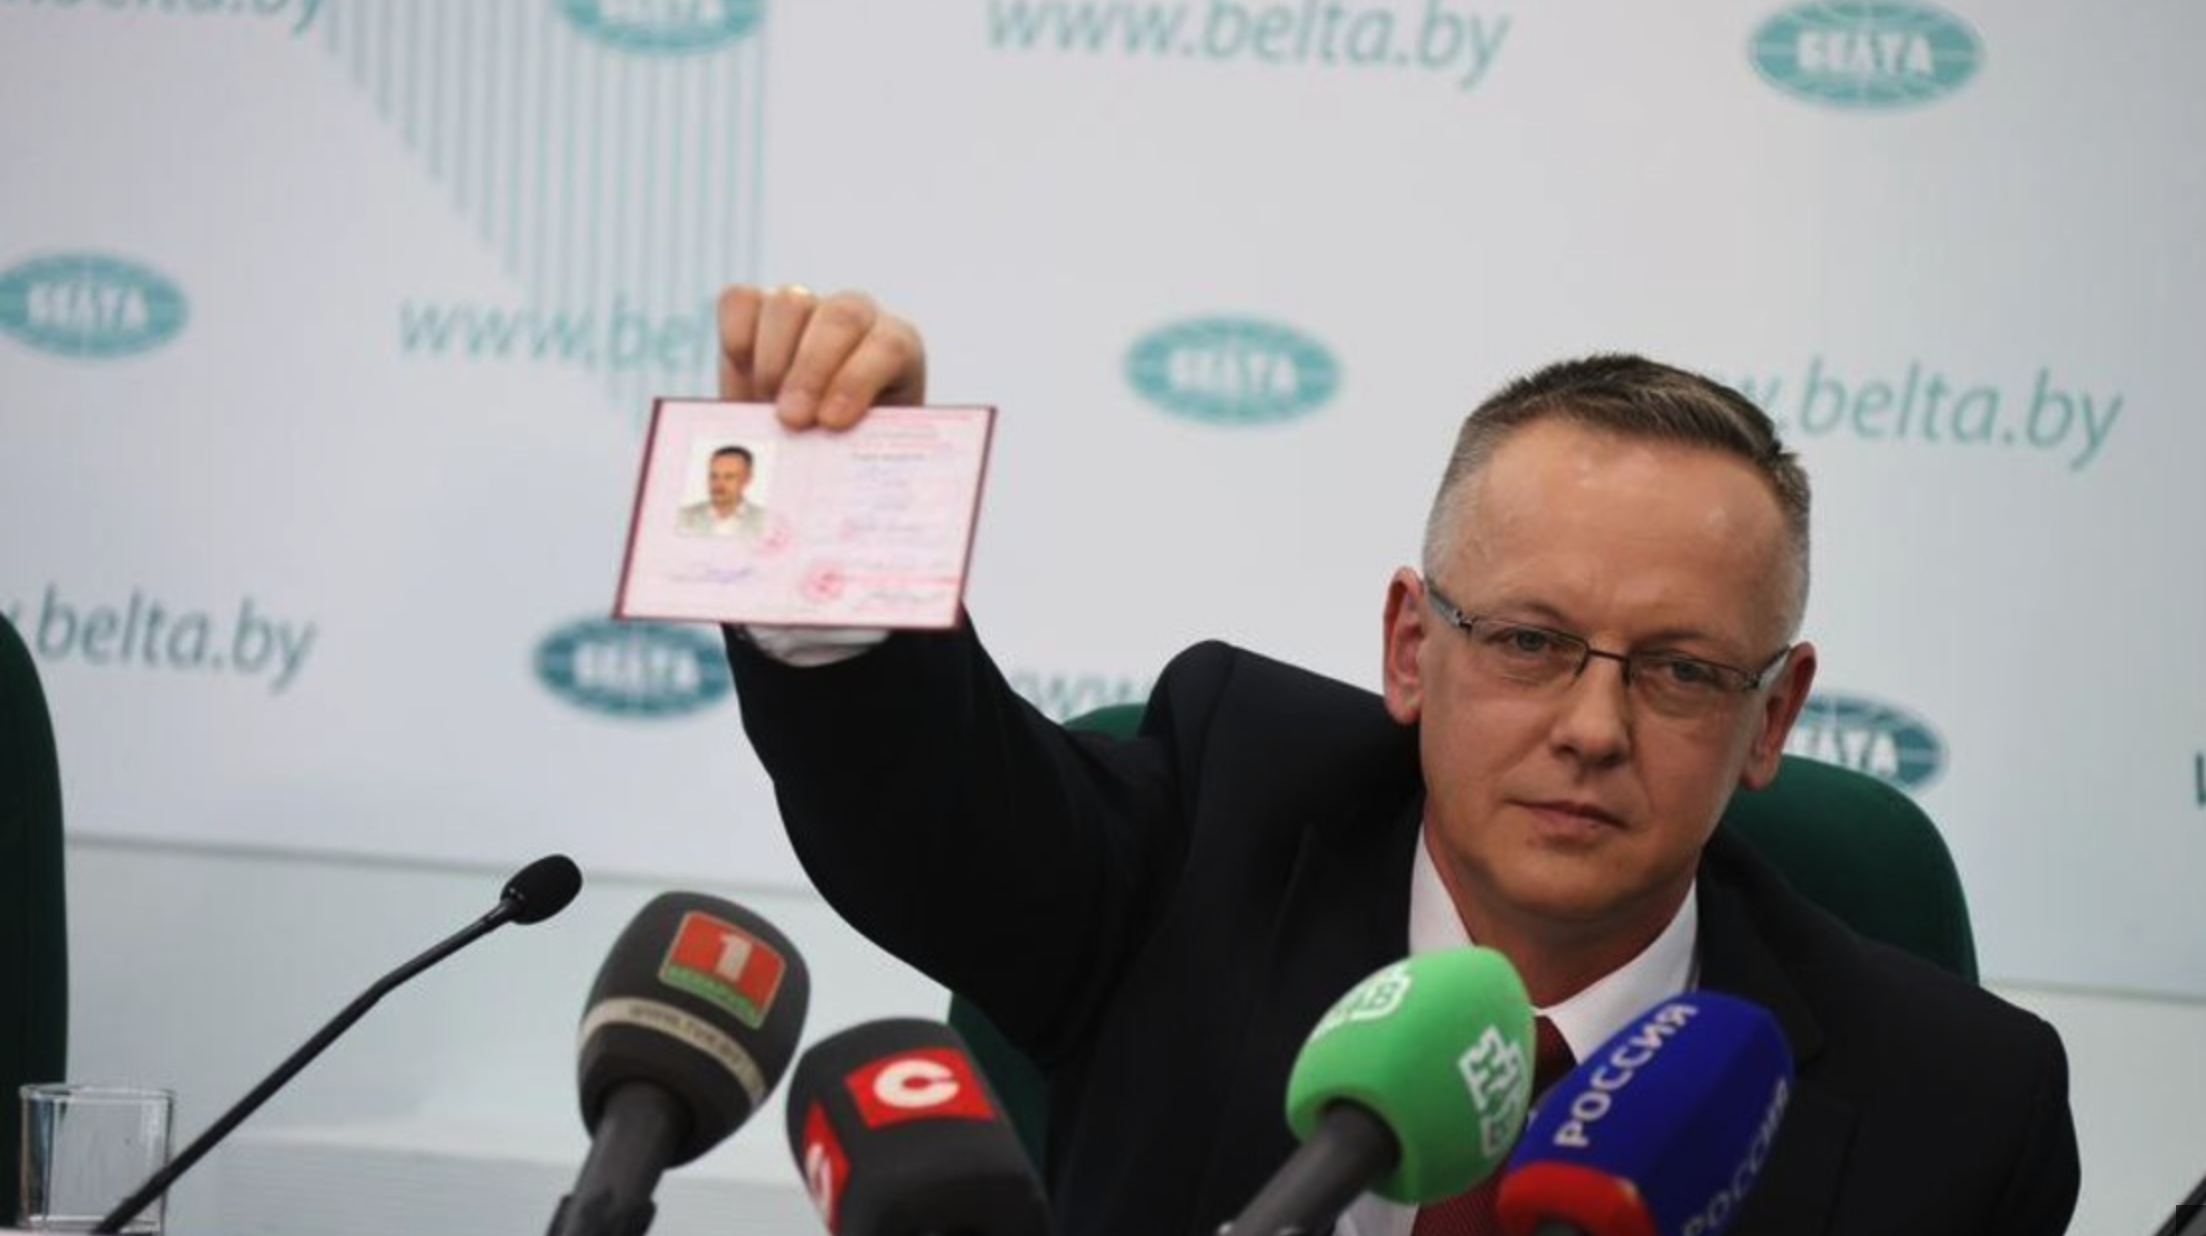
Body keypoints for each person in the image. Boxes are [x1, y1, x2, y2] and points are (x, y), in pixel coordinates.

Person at [716, 284, 2080, 1235]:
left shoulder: (1959, 1109)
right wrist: (827, 530)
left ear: (1771, 718)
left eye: (1677, 672)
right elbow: (934, 827)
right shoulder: (1212, 824)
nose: (1592, 730)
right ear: (1409, 650)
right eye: (1529, 642)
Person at [675, 444, 769, 539]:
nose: (718, 484)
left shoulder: (765, 521)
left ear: (747, 478)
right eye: (714, 476)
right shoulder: (682, 517)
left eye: (729, 477)